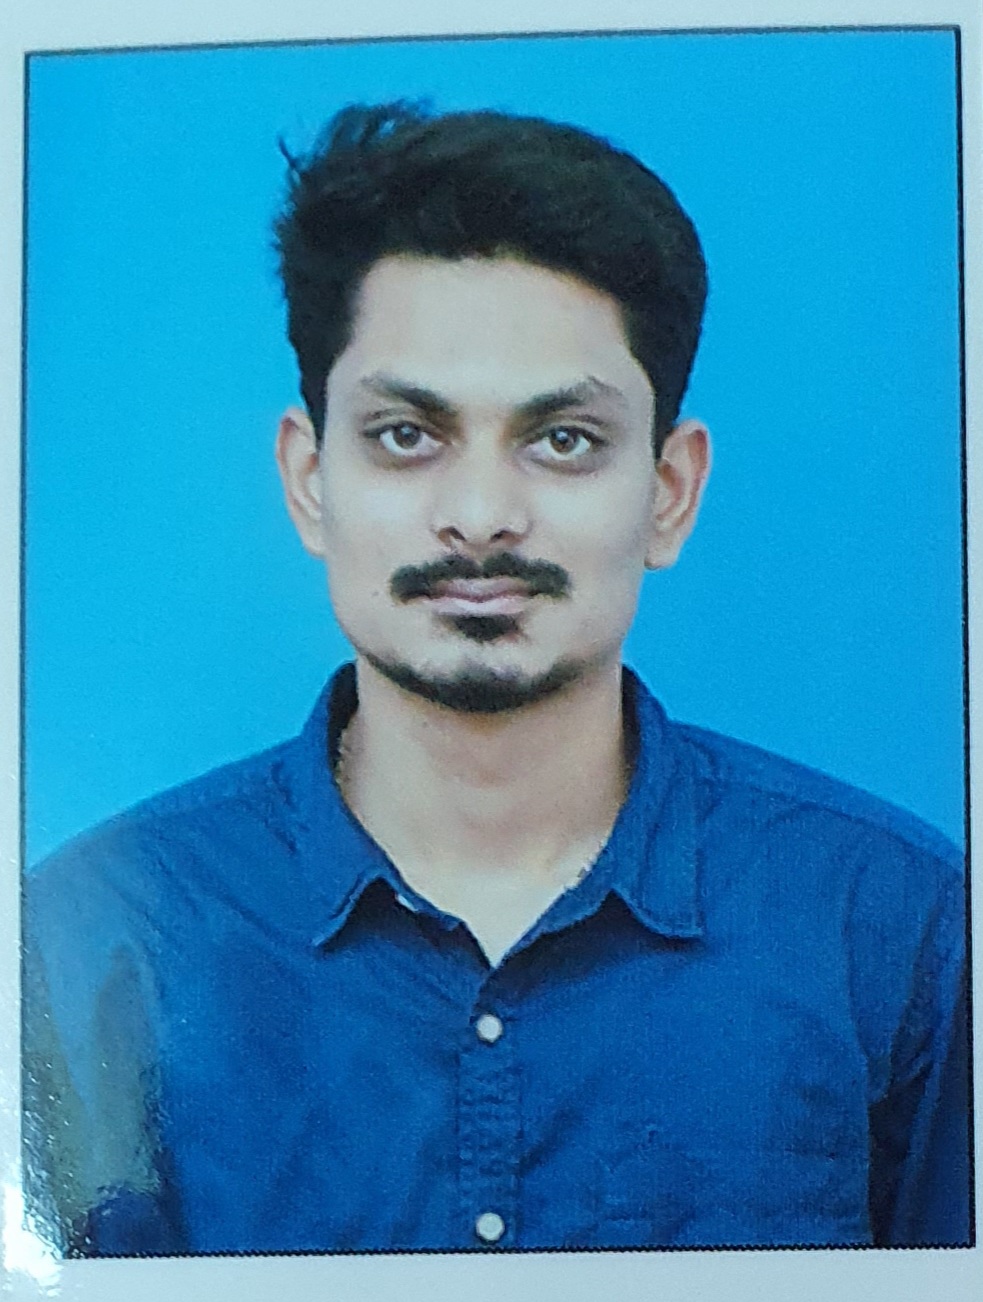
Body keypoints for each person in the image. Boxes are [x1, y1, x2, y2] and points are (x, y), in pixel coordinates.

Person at [22, 101, 969, 1257]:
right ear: (309, 480)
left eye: (561, 439)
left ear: (668, 492)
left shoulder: (896, 931)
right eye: (405, 435)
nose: (478, 517)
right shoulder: (85, 949)